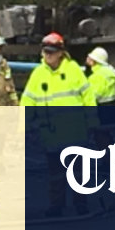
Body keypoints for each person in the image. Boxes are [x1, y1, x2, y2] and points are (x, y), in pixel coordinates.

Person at [21, 33, 96, 217]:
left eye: (52, 52)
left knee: (78, 172)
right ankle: (57, 206)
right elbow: (28, 101)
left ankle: (81, 204)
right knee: (55, 174)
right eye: (46, 52)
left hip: (74, 132)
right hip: (52, 135)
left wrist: (93, 123)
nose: (48, 56)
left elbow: (88, 98)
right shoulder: (38, 74)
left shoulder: (74, 71)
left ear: (61, 53)